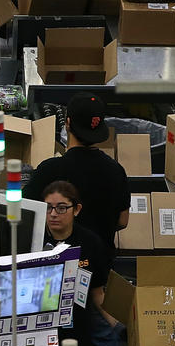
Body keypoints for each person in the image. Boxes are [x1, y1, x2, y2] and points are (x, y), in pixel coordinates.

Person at [24, 93, 130, 249]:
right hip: (99, 266)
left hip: (57, 267)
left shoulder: (49, 170)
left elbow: (22, 213)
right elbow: (122, 221)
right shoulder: (116, 170)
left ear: (67, 123)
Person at [41, 180, 118, 346]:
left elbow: (97, 293)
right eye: (48, 207)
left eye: (61, 207)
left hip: (77, 332)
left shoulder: (90, 243)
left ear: (76, 209)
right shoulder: (34, 239)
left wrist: (120, 327)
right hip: (41, 335)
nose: (54, 214)